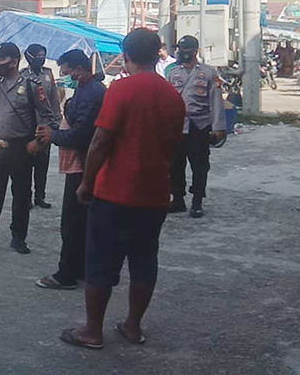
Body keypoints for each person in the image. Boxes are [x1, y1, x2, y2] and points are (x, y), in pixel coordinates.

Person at [58, 28, 185, 351]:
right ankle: (132, 325)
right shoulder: (172, 95)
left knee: (101, 262)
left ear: (126, 57)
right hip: (155, 195)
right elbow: (174, 148)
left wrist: (87, 182)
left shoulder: (121, 90)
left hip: (115, 193)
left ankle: (92, 331)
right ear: (159, 55)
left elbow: (101, 140)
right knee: (144, 261)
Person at [0, 42, 59, 256]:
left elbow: (49, 117)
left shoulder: (31, 85)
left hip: (22, 148)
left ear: (14, 62)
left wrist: (37, 143)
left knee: (21, 196)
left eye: (1, 60)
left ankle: (19, 238)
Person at [35, 49, 105, 290]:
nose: (63, 76)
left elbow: (82, 135)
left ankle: (67, 275)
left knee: (72, 223)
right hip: (81, 163)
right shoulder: (87, 90)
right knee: (81, 222)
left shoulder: (92, 93)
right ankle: (81, 268)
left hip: (83, 165)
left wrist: (53, 135)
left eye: (66, 71)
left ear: (78, 69)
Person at [167, 35, 227, 218]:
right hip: (178, 126)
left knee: (200, 166)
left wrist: (219, 128)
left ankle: (197, 202)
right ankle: (178, 199)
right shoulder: (172, 73)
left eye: (186, 49)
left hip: (199, 126)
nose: (182, 52)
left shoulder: (209, 73)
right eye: (180, 49)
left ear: (195, 51)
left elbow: (216, 101)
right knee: (175, 166)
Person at [22, 44, 62, 209]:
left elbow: (54, 97)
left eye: (43, 55)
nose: (41, 58)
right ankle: (27, 198)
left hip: (46, 125)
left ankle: (40, 197)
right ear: (29, 56)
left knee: (42, 164)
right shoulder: (23, 75)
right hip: (28, 126)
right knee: (26, 165)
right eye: (38, 55)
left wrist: (56, 120)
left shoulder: (47, 73)